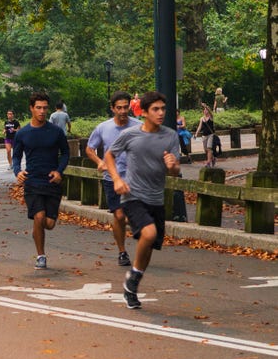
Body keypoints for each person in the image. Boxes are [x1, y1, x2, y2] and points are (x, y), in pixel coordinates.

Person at [104, 91, 181, 309]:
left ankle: (132, 285)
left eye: (163, 109)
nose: (161, 113)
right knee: (149, 233)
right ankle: (134, 278)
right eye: (155, 109)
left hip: (156, 199)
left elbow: (175, 171)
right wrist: (117, 179)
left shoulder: (170, 136)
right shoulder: (130, 134)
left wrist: (172, 165)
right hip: (133, 196)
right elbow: (109, 155)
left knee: (148, 247)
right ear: (144, 112)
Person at [12, 92, 70, 270]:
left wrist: (59, 171)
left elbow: (66, 153)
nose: (42, 111)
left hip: (52, 182)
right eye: (38, 107)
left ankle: (37, 230)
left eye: (45, 108)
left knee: (49, 224)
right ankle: (41, 255)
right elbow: (16, 157)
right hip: (33, 182)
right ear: (31, 108)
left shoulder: (56, 132)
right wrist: (18, 172)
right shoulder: (23, 133)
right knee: (39, 216)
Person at [84, 91, 141, 267]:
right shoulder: (103, 128)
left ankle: (142, 242)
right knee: (119, 215)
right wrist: (100, 162)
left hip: (135, 178)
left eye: (126, 107)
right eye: (119, 108)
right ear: (112, 108)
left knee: (135, 216)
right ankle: (122, 251)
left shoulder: (139, 126)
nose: (123, 111)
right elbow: (89, 149)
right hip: (112, 178)